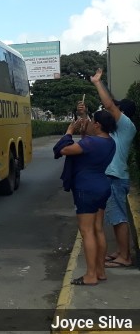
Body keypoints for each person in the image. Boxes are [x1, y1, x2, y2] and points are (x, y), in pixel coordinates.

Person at [55, 109, 117, 286]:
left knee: (87, 231)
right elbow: (88, 148)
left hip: (86, 189)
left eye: (92, 121)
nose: (89, 123)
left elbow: (65, 150)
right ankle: (100, 271)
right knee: (98, 229)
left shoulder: (91, 142)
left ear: (97, 125)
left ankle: (90, 275)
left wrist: (69, 132)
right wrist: (84, 131)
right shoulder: (110, 142)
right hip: (102, 186)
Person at [90, 68, 137, 269]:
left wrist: (97, 83)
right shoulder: (119, 130)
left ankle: (125, 257)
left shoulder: (126, 124)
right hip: (114, 177)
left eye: (116, 110)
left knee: (118, 218)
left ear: (122, 112)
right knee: (116, 217)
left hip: (116, 178)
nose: (111, 112)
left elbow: (108, 104)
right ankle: (121, 251)